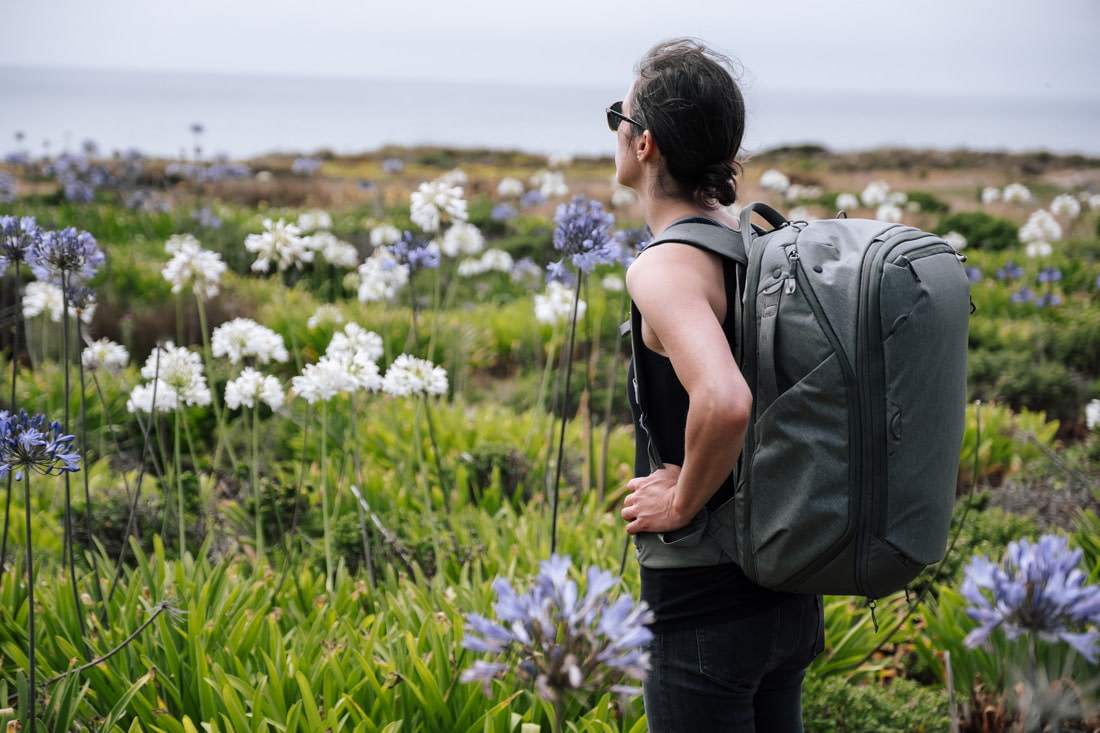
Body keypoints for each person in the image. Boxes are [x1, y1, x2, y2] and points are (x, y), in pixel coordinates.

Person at [613, 38, 824, 731]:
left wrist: (682, 503)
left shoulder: (665, 267)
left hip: (705, 608)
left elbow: (727, 400)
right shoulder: (753, 241)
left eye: (620, 117)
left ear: (644, 144)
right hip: (786, 591)